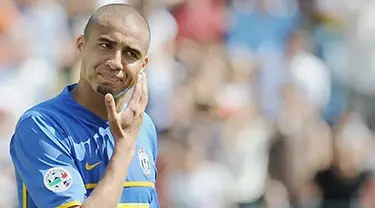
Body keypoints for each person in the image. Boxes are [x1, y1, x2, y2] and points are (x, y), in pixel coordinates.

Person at [9, 3, 159, 208]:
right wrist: (124, 148)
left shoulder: (143, 127)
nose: (116, 62)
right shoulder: (42, 126)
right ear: (80, 45)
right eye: (106, 45)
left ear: (143, 64)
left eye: (131, 54)